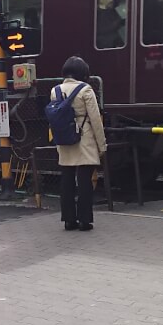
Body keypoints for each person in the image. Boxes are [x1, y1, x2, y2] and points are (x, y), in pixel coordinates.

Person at [52, 56, 107, 231]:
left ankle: (68, 220)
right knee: (84, 182)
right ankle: (84, 220)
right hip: (84, 139)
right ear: (83, 72)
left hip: (65, 138)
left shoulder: (56, 90)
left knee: (66, 180)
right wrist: (102, 145)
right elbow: (96, 120)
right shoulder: (86, 90)